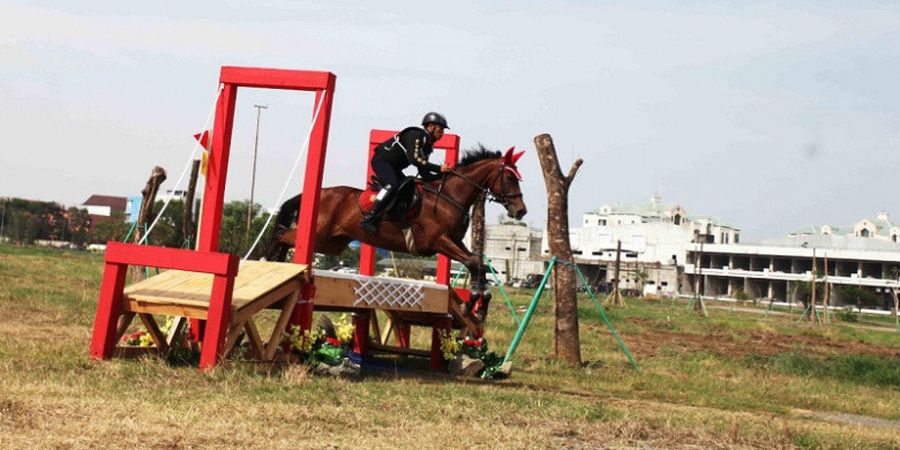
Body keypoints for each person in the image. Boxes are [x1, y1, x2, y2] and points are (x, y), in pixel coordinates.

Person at [360, 112, 453, 234]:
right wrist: (439, 169)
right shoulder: (415, 135)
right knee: (393, 185)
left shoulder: (427, 147)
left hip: (394, 167)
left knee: (407, 188)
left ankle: (395, 219)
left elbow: (424, 174)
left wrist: (444, 177)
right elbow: (414, 160)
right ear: (431, 126)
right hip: (382, 161)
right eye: (440, 129)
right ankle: (369, 218)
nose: (442, 133)